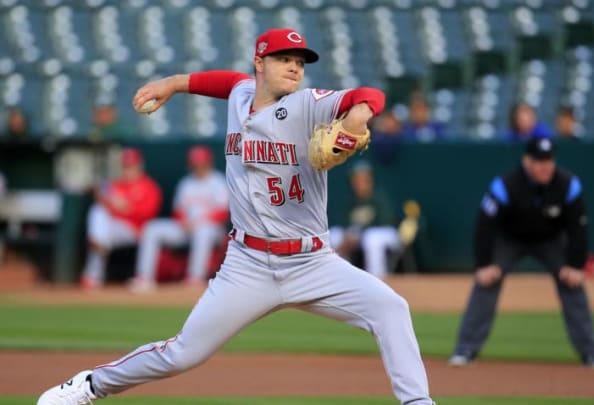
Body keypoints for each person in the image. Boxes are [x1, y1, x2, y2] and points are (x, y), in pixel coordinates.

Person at [38, 28, 435, 405]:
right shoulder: (242, 94)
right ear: (259, 63)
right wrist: (174, 83)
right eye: (284, 59)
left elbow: (369, 95)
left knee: (390, 308)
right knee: (181, 354)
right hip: (247, 265)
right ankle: (88, 386)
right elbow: (227, 82)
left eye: (300, 60)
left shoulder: (308, 103)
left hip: (312, 261)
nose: (295, 67)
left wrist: (357, 116)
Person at [448, 137, 594, 369]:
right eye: (538, 161)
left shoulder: (567, 184)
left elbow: (579, 227)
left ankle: (591, 352)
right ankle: (465, 349)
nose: (544, 166)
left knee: (572, 284)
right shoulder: (506, 185)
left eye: (548, 160)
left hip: (551, 240)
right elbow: (484, 225)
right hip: (510, 239)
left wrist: (576, 265)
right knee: (486, 282)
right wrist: (484, 264)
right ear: (527, 161)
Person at [128, 145, 229, 292]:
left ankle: (195, 278)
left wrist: (199, 222)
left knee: (203, 231)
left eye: (201, 163)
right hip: (186, 227)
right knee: (152, 228)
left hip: (212, 229)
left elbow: (223, 213)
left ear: (208, 163)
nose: (198, 167)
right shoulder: (186, 183)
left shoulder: (218, 181)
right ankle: (144, 278)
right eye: (195, 164)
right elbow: (178, 211)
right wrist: (183, 221)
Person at [79, 147, 163, 290]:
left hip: (134, 229)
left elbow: (149, 213)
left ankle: (96, 261)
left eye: (131, 166)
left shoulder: (148, 186)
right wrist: (106, 199)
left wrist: (127, 208)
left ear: (139, 166)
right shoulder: (115, 184)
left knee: (100, 233)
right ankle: (93, 276)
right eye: (125, 166)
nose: (128, 170)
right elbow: (97, 190)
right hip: (113, 228)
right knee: (98, 212)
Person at [329, 160, 402, 279]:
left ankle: (378, 279)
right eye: (357, 180)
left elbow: (385, 222)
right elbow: (342, 223)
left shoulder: (379, 197)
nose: (360, 184)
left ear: (371, 180)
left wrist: (357, 234)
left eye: (364, 180)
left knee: (372, 239)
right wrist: (349, 235)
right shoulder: (349, 199)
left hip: (387, 234)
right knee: (334, 235)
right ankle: (341, 279)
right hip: (359, 234)